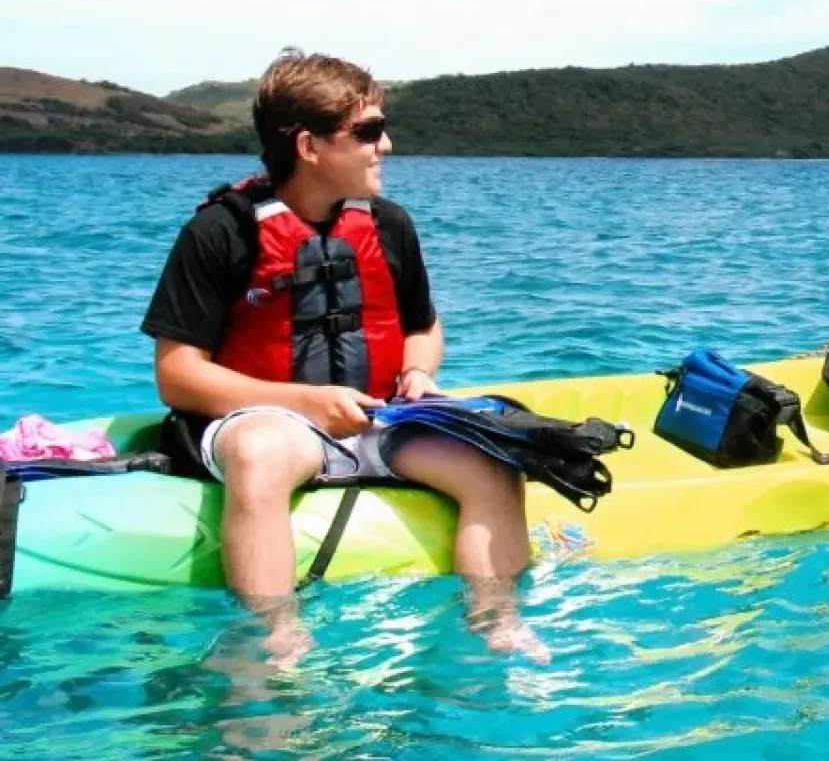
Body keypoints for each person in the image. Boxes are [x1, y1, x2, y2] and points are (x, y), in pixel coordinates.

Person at [141, 50, 543, 663]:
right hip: (271, 421)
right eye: (369, 131)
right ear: (309, 146)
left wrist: (417, 372)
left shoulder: (390, 225)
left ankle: (497, 623)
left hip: (378, 419)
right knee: (262, 451)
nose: (386, 146)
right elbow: (177, 374)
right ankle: (275, 638)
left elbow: (424, 328)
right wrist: (303, 403)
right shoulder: (220, 233)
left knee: (490, 457)